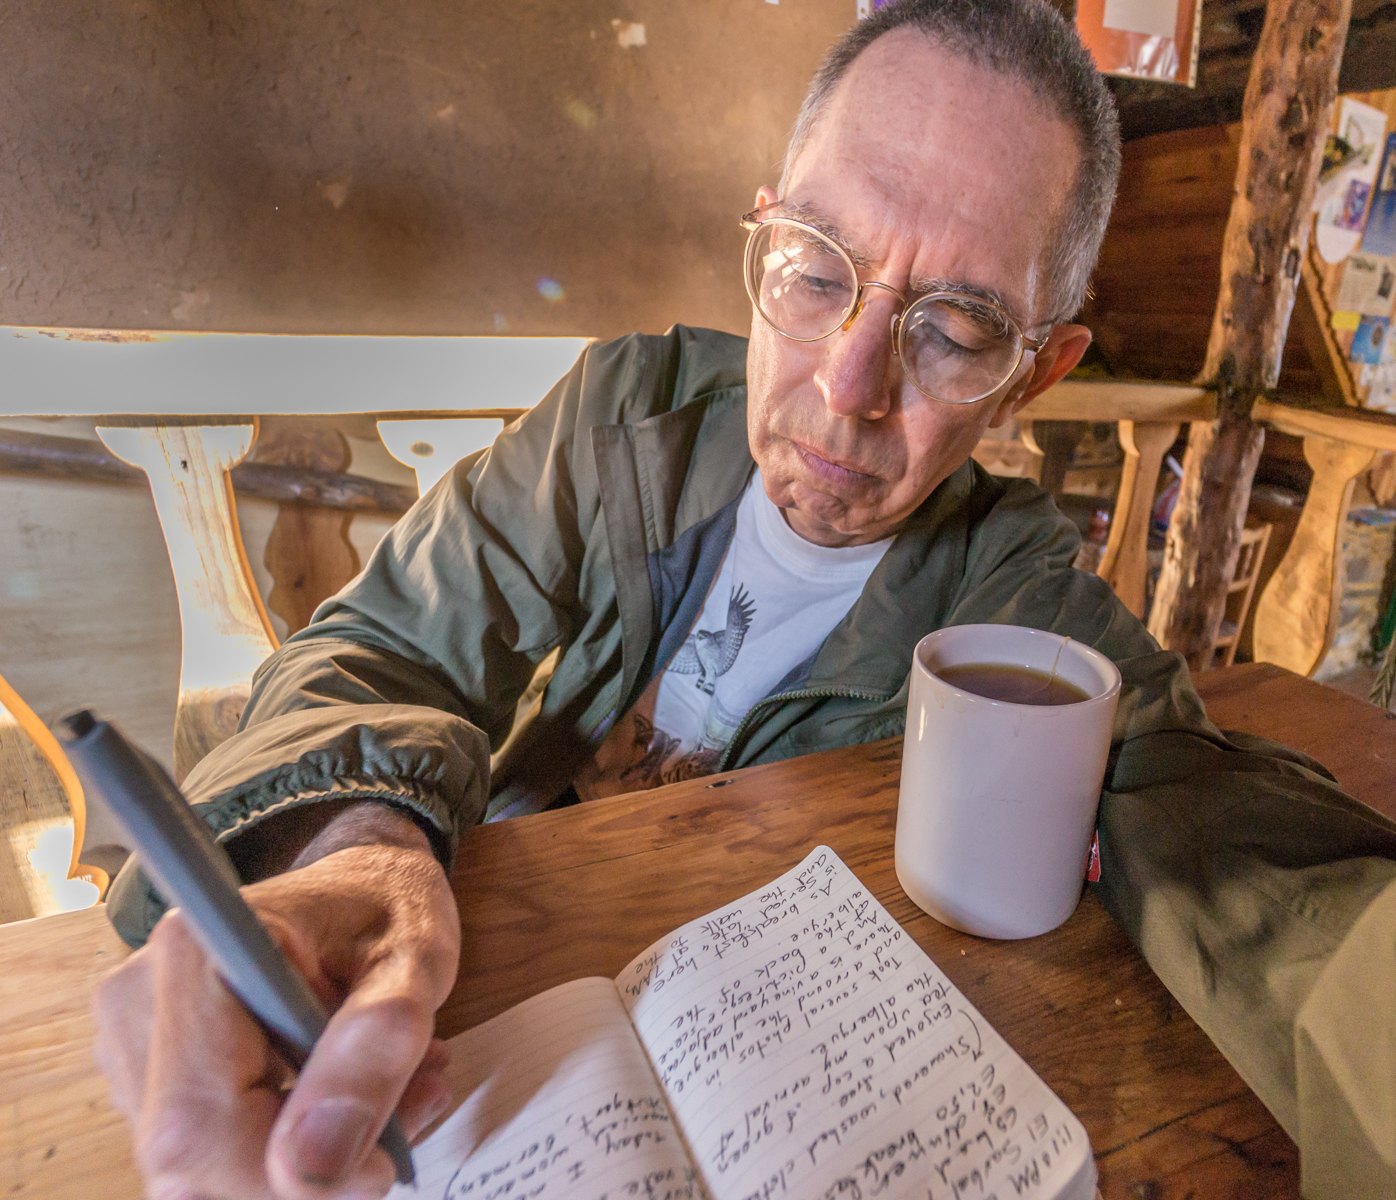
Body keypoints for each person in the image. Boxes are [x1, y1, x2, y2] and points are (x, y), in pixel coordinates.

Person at [93, 1, 1396, 1197]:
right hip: (458, 1031)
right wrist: (353, 842)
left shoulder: (1016, 608)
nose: (848, 386)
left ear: (1037, 374)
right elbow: (376, 647)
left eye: (955, 330)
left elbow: (1227, 833)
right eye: (819, 270)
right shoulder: (627, 416)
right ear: (760, 243)